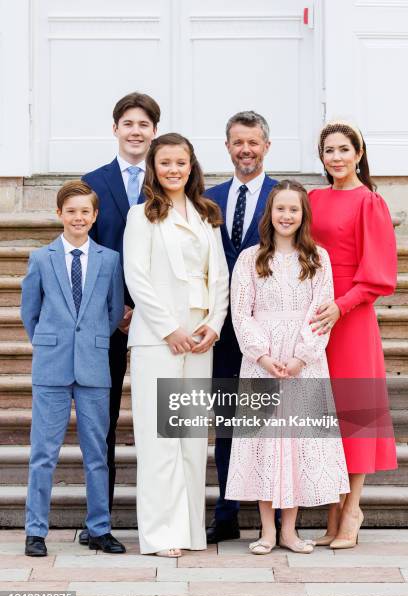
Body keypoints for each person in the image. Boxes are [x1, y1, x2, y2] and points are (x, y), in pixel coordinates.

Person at [225, 180, 350, 554]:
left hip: (303, 361)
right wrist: (261, 354)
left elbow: (321, 312)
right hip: (262, 361)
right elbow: (240, 312)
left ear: (303, 215)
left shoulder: (317, 258)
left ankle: (290, 531)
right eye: (280, 208)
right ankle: (265, 530)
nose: (286, 216)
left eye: (294, 209)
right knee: (265, 443)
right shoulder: (250, 258)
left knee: (295, 442)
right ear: (270, 213)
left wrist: (301, 356)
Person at [123, 133, 229, 557]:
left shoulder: (206, 214)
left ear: (191, 166)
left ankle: (189, 531)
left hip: (199, 338)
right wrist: (170, 330)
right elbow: (137, 277)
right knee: (159, 438)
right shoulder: (141, 216)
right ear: (154, 167)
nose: (173, 169)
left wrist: (214, 325)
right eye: (165, 162)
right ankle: (160, 534)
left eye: (180, 162)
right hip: (158, 340)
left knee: (188, 439)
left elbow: (218, 275)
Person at [21, 180, 126, 556]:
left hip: (95, 364)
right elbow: (29, 312)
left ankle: (99, 528)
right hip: (52, 365)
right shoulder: (41, 259)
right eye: (72, 211)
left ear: (94, 216)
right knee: (43, 452)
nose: (78, 217)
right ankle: (36, 531)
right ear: (60, 214)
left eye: (85, 211)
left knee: (96, 452)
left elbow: (114, 312)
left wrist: (91, 338)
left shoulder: (109, 260)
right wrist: (51, 341)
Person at [309, 120, 398, 548]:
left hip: (352, 316)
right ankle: (330, 509)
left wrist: (340, 307)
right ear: (322, 157)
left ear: (359, 154)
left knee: (354, 413)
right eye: (329, 150)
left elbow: (380, 274)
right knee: (324, 412)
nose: (337, 157)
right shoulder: (312, 198)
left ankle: (352, 509)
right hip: (314, 313)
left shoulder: (370, 202)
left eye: (344, 149)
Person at [78, 92, 161, 545]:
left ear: (153, 131)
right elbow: (85, 253)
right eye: (128, 123)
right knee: (101, 423)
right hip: (104, 324)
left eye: (144, 124)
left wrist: (145, 307)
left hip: (156, 322)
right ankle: (100, 524)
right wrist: (116, 307)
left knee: (160, 418)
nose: (135, 131)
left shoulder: (169, 178)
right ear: (115, 129)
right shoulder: (92, 182)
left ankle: (164, 515)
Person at [204, 111, 278, 544]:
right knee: (226, 420)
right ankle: (226, 511)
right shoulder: (208, 198)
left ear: (266, 146)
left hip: (269, 328)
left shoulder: (284, 195)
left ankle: (279, 512)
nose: (245, 150)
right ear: (228, 146)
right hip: (220, 329)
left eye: (253, 142)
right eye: (237, 142)